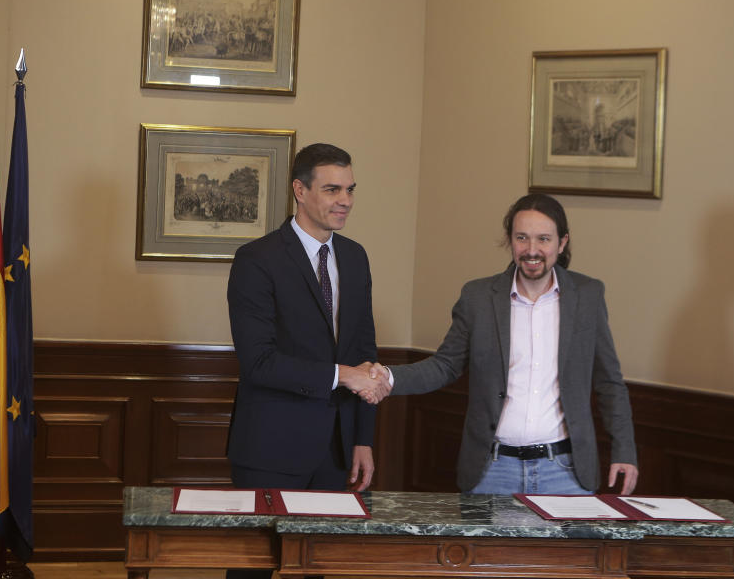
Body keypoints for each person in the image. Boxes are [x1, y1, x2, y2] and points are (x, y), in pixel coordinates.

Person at [368, 193, 638, 496]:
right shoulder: (478, 297)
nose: (532, 250)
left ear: (562, 243)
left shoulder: (587, 295)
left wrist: (624, 450)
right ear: (510, 240)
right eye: (522, 238)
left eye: (543, 239)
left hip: (566, 474)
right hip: (492, 472)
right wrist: (388, 378)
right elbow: (445, 366)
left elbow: (609, 382)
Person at [225, 144, 385, 575]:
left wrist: (362, 439)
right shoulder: (256, 260)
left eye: (350, 189)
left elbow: (365, 355)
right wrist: (342, 375)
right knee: (253, 569)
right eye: (332, 189)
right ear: (299, 189)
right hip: (270, 449)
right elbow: (258, 363)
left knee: (322, 567)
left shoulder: (355, 257)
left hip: (337, 451)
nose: (345, 200)